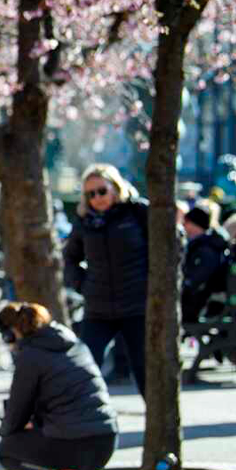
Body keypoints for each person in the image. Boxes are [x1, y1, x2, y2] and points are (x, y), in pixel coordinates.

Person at [0, 302, 118, 470]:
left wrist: (11, 428)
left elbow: (15, 416)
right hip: (106, 443)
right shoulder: (75, 344)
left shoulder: (30, 356)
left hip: (76, 443)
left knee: (7, 450)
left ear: (10, 334)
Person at [63, 163, 150, 398]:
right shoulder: (85, 222)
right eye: (90, 194)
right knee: (84, 365)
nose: (97, 198)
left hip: (136, 305)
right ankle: (82, 421)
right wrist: (84, 285)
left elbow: (170, 244)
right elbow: (70, 258)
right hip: (99, 307)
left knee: (145, 370)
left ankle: (158, 428)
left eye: (102, 191)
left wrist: (150, 285)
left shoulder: (138, 212)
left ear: (115, 188)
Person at [181, 203, 230, 324]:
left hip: (199, 306)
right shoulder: (208, 245)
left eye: (186, 222)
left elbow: (195, 280)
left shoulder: (206, 249)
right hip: (202, 302)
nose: (183, 226)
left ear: (193, 224)